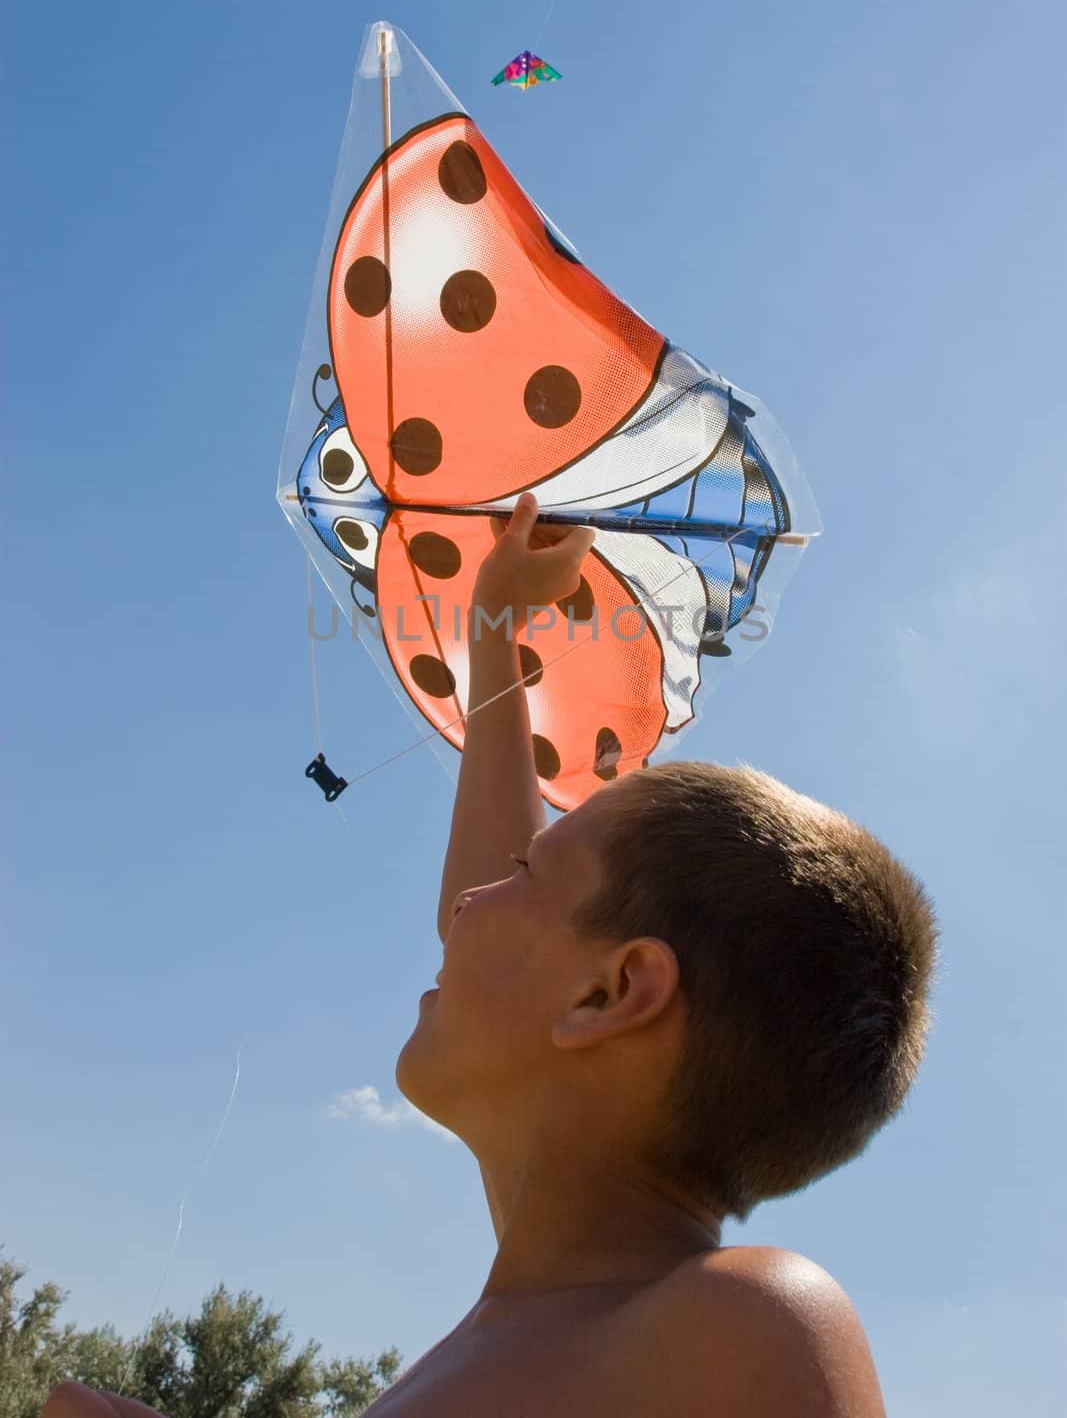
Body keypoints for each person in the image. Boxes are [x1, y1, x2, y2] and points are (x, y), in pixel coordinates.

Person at [44, 494, 937, 1418]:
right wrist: (496, 627)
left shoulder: (742, 1323)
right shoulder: (562, 1333)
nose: (467, 901)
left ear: (608, 996)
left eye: (522, 873)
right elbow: (491, 924)